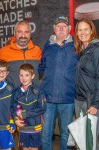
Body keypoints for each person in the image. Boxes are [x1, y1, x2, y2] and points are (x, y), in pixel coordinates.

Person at [39, 16, 78, 150]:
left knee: (66, 134)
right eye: (58, 26)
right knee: (45, 133)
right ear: (54, 29)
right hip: (48, 98)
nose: (61, 28)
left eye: (64, 26)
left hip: (67, 98)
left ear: (69, 29)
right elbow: (41, 67)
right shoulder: (48, 45)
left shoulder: (76, 45)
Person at [0, 20, 42, 97]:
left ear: (30, 34)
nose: (23, 35)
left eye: (26, 32)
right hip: (12, 99)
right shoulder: (4, 51)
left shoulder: (37, 51)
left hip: (33, 98)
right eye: (20, 32)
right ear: (14, 33)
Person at [74, 18, 99, 150]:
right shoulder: (82, 50)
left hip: (91, 102)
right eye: (80, 30)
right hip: (79, 101)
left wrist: (96, 104)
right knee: (82, 141)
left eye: (86, 29)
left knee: (91, 141)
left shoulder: (96, 49)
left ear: (92, 31)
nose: (83, 32)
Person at [11, 63, 46, 150]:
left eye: (27, 75)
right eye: (21, 75)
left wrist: (25, 114)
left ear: (33, 76)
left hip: (35, 126)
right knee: (24, 148)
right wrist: (15, 119)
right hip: (22, 127)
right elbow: (13, 108)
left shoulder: (38, 91)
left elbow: (42, 108)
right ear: (19, 76)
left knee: (34, 148)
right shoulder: (16, 92)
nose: (24, 78)